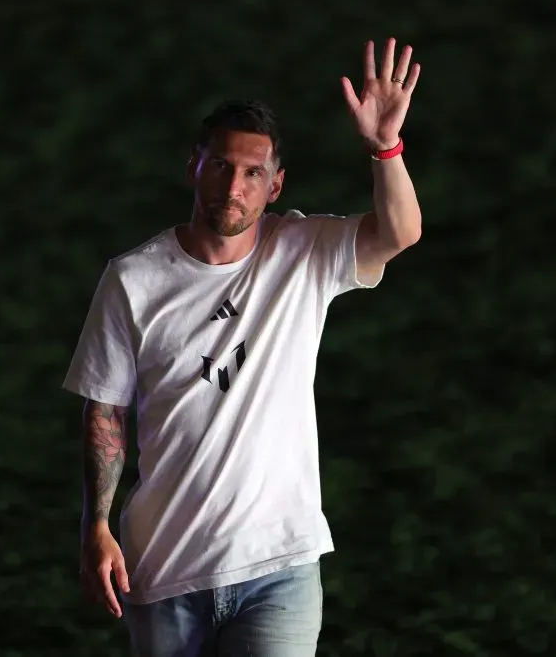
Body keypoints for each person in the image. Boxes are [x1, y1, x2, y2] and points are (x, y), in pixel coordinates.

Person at [62, 38, 423, 657]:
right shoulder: (132, 278)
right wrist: (96, 523)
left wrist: (384, 147)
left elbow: (401, 233)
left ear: (275, 185)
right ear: (193, 167)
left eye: (253, 173)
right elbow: (106, 412)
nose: (235, 186)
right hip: (162, 567)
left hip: (278, 566)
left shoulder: (304, 252)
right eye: (222, 166)